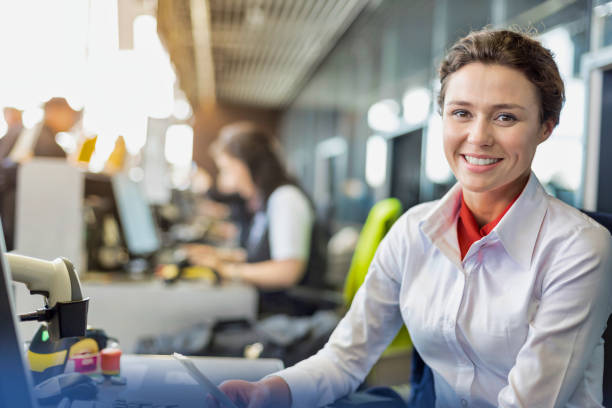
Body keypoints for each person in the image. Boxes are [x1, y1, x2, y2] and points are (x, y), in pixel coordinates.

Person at [214, 28, 612, 407]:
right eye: (461, 113)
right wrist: (273, 393)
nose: (478, 136)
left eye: (505, 117)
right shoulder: (413, 232)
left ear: (545, 128)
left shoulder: (578, 248)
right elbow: (345, 357)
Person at [185, 122, 324, 315]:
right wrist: (221, 257)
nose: (228, 180)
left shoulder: (286, 199)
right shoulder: (267, 201)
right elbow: (266, 255)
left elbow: (287, 271)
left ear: (247, 165)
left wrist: (227, 270)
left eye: (228, 169)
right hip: (271, 311)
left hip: (288, 320)